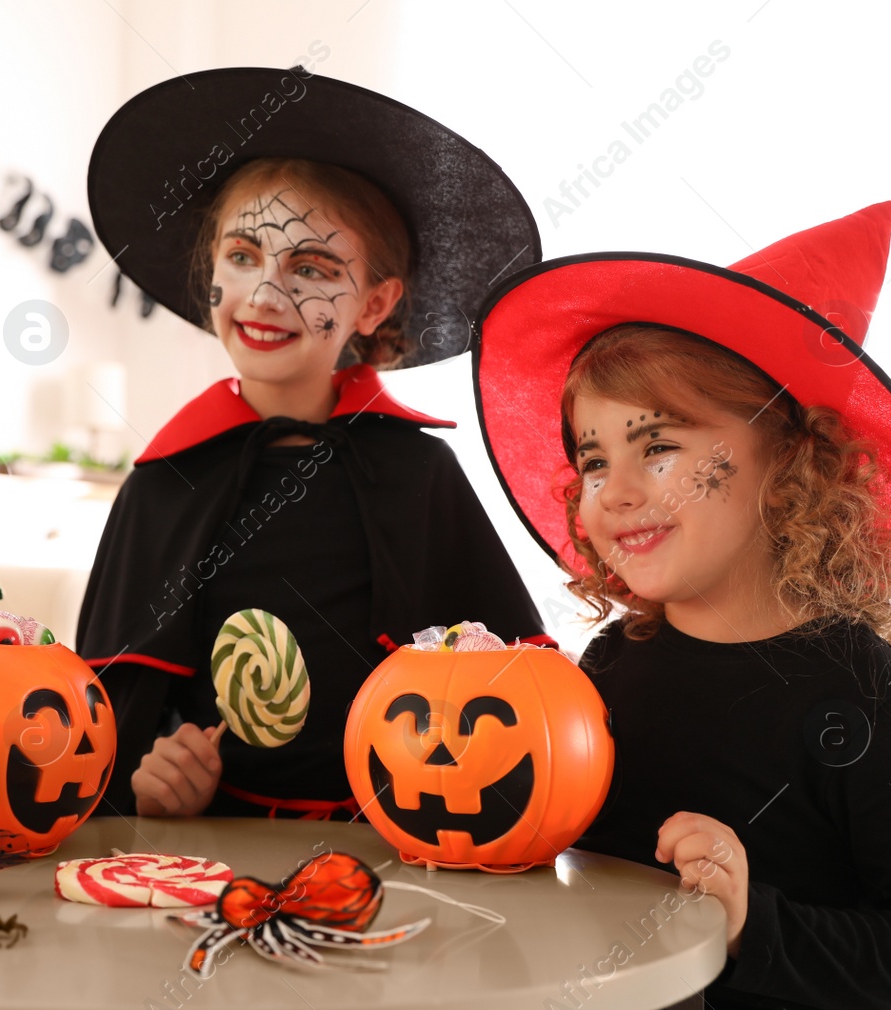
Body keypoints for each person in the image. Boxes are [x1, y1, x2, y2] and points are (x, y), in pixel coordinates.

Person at [470, 203, 891, 1010]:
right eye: (593, 457)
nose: (609, 490)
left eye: (660, 447)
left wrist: (755, 920)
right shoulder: (614, 661)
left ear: (790, 461)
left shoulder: (864, 697)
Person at [79, 66, 552, 821]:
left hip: (396, 853)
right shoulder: (166, 481)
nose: (266, 295)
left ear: (374, 303)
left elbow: (509, 697)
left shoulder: (419, 472)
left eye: (311, 268)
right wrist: (157, 778)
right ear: (211, 275)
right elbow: (109, 720)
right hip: (215, 855)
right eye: (242, 256)